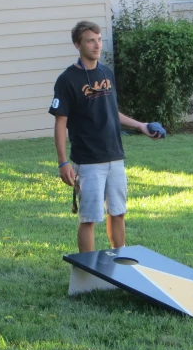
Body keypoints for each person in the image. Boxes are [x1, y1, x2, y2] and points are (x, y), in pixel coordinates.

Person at [49, 20, 162, 253]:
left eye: (99, 39)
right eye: (90, 40)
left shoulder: (106, 73)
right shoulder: (67, 80)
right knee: (89, 218)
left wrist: (140, 126)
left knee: (118, 213)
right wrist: (62, 162)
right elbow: (61, 123)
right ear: (77, 45)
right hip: (88, 161)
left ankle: (119, 262)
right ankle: (87, 272)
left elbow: (112, 111)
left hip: (115, 157)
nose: (97, 45)